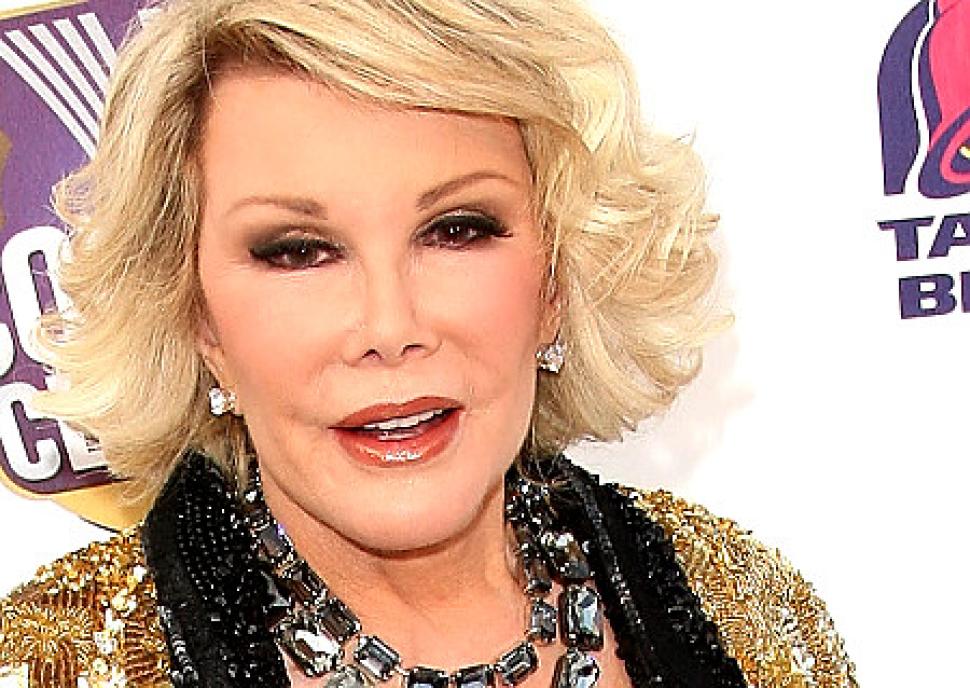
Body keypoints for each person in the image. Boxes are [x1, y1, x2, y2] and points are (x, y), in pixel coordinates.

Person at [0, 1, 856, 686]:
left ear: (557, 278)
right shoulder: (57, 666)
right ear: (198, 317)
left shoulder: (746, 612)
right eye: (298, 251)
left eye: (457, 230)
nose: (390, 327)